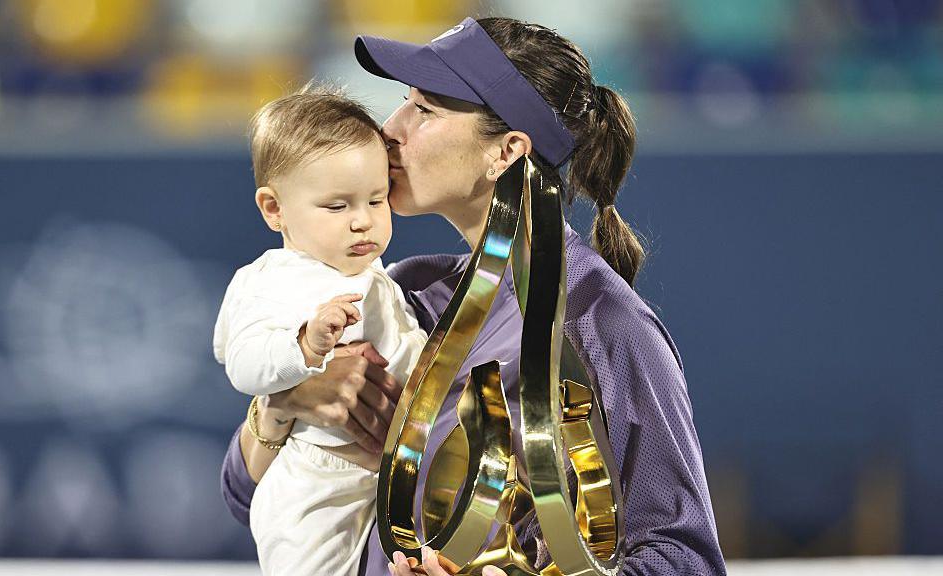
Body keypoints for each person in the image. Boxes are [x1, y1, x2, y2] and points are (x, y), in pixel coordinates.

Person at [221, 16, 727, 576]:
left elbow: (685, 559)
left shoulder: (604, 321)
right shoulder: (409, 289)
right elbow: (246, 497)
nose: (390, 128)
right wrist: (282, 408)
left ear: (506, 151)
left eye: (425, 110)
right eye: (402, 101)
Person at [213, 85, 428, 576]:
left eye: (377, 200)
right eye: (337, 207)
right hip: (315, 479)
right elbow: (242, 361)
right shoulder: (272, 280)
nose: (362, 222)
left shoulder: (379, 277)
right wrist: (304, 346)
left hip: (382, 478)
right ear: (274, 209)